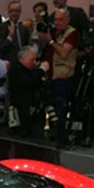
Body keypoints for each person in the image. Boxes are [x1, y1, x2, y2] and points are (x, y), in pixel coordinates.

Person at [39, 8, 78, 147]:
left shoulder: (71, 33)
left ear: (68, 20)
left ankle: (61, 138)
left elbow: (64, 53)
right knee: (49, 107)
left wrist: (50, 41)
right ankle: (51, 134)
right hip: (50, 74)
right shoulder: (54, 31)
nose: (57, 22)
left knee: (60, 108)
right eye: (55, 19)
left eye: (61, 20)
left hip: (63, 76)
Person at [8, 45, 49, 140]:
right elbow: (28, 81)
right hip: (21, 112)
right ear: (23, 58)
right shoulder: (16, 70)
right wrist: (41, 70)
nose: (34, 62)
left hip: (33, 111)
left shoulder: (31, 70)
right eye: (32, 60)